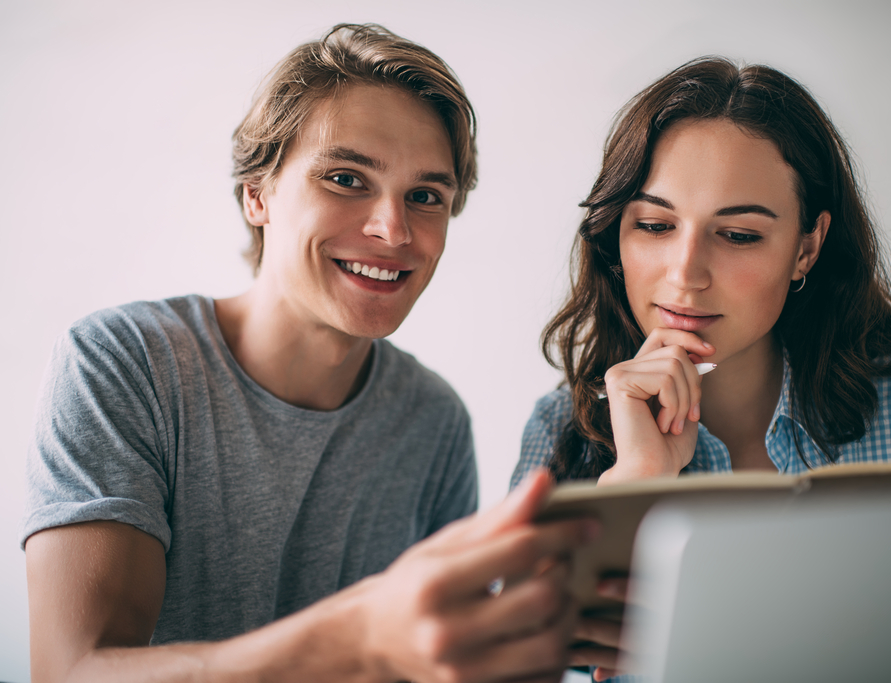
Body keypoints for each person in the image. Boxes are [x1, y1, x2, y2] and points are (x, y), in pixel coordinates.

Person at [22, 24, 599, 683]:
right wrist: (360, 637)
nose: (393, 229)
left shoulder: (434, 421)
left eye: (426, 196)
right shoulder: (122, 364)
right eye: (347, 178)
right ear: (258, 194)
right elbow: (71, 671)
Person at [512, 56, 891, 680]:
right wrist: (637, 482)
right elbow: (512, 666)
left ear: (806, 247)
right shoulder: (560, 430)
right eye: (654, 225)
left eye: (739, 235)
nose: (685, 273)